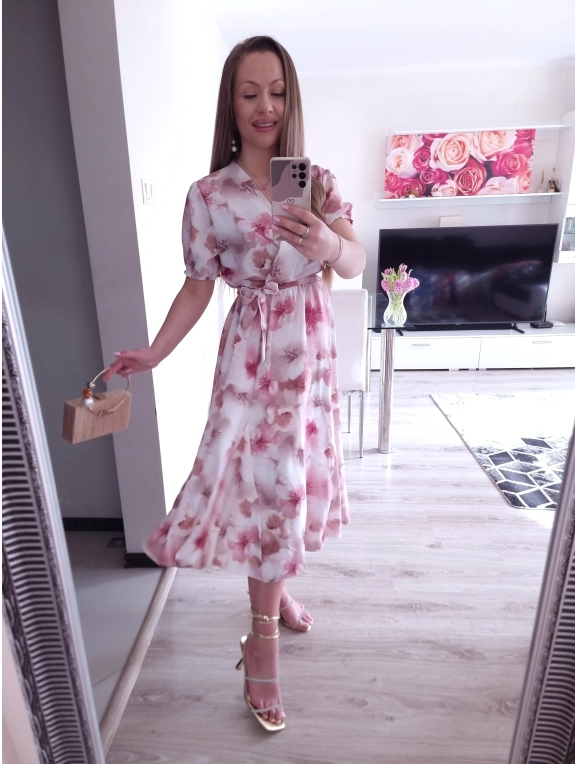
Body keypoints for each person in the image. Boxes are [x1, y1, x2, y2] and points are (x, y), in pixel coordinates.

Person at [104, 35, 366, 732]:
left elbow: (353, 262)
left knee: (292, 483)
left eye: (276, 91)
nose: (264, 106)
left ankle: (274, 594)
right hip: (251, 358)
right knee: (269, 490)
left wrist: (327, 244)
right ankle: (261, 645)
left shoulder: (313, 180)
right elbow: (198, 287)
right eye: (249, 93)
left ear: (291, 98)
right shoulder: (208, 196)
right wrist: (155, 351)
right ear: (231, 102)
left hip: (309, 355)